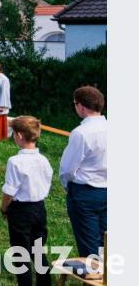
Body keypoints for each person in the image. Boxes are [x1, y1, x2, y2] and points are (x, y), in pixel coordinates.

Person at [0, 116, 53, 286]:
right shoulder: (44, 160)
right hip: (39, 209)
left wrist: (4, 208)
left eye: (14, 134)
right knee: (38, 251)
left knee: (20, 254)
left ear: (20, 136)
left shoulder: (15, 162)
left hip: (20, 210)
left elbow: (9, 191)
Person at [59, 86, 107, 258]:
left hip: (85, 191)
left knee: (89, 245)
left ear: (81, 106)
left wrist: (69, 187)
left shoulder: (81, 133)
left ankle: (93, 279)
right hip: (107, 189)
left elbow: (67, 169)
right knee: (106, 242)